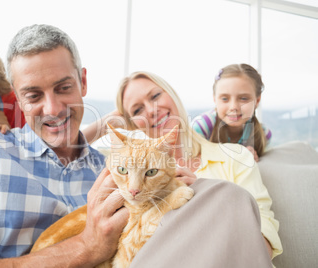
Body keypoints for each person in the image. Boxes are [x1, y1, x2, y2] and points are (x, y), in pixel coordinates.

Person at [0, 25, 275, 267]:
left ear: (83, 81)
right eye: (33, 95)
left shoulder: (111, 168)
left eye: (64, 88)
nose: (53, 108)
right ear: (16, 97)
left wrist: (171, 200)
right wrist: (85, 247)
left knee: (225, 198)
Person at [83, 71, 283, 259]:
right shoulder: (123, 171)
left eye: (154, 96)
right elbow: (64, 150)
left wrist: (206, 194)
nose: (151, 110)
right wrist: (112, 121)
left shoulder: (236, 156)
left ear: (171, 93)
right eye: (137, 110)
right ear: (132, 123)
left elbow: (263, 242)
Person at [192, 63, 272, 161]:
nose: (234, 107)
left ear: (257, 101)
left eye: (243, 98)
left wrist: (254, 159)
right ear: (215, 99)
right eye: (225, 98)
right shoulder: (201, 126)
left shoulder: (263, 134)